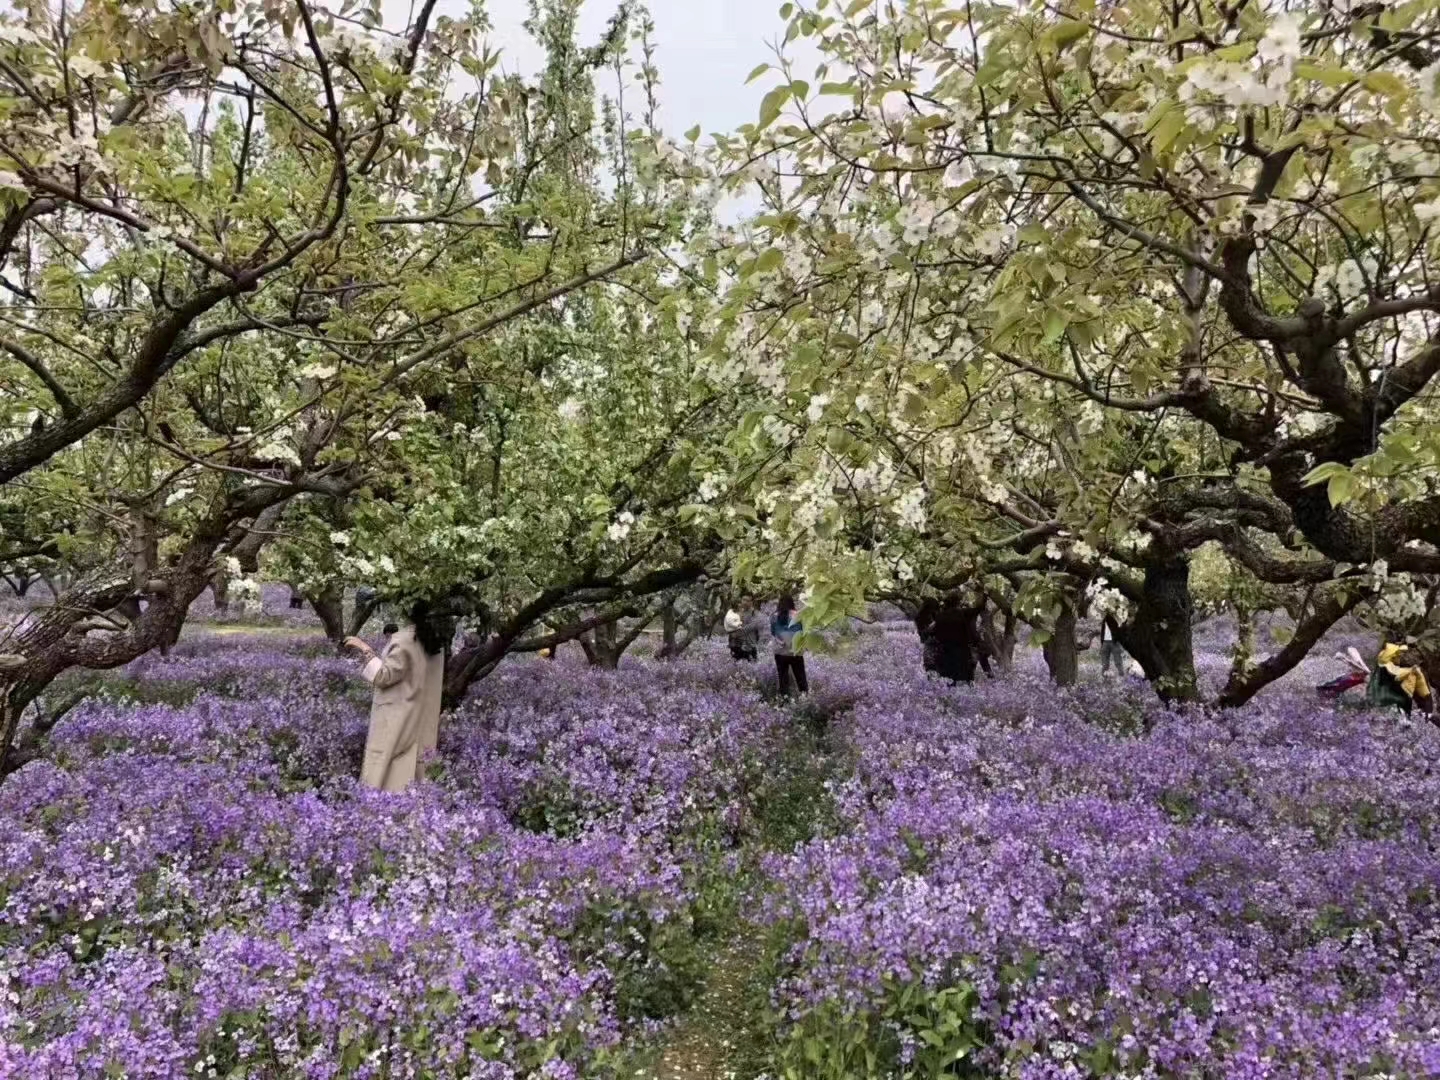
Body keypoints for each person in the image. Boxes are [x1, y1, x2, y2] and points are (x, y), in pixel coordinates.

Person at [343, 600, 447, 792]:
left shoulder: (403, 640)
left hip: (397, 714)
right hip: (420, 714)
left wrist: (365, 649)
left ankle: (379, 809)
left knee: (386, 764)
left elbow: (384, 676)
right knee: (414, 764)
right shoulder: (434, 642)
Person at [1367, 642, 1436, 719]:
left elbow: (1425, 693)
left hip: (1399, 692)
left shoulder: (1414, 672)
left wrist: (1428, 709)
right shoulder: (1388, 664)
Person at [931, 591, 983, 684]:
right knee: (964, 680)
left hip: (944, 652)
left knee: (947, 681)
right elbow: (979, 608)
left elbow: (933, 632)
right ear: (958, 602)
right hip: (961, 652)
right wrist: (985, 594)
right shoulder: (963, 613)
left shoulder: (939, 616)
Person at [771, 595, 808, 695]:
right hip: (795, 651)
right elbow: (803, 631)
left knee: (783, 678)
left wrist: (781, 639)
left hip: (780, 651)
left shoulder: (774, 616)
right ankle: (804, 698)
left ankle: (784, 701)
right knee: (800, 677)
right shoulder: (798, 615)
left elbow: (773, 632)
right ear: (792, 603)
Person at [725, 597, 761, 661]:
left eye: (747, 600)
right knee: (737, 660)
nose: (745, 602)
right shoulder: (734, 612)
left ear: (751, 602)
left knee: (751, 661)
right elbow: (730, 626)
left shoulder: (754, 613)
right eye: (743, 600)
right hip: (736, 643)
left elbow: (756, 628)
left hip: (750, 643)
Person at [914, 597, 940, 674]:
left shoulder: (935, 616)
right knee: (932, 674)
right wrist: (935, 624)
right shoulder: (921, 618)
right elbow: (923, 634)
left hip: (937, 649)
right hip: (931, 649)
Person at [1098, 614, 1125, 678]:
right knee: (1104, 664)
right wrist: (1102, 643)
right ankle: (1105, 679)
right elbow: (1102, 631)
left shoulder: (1118, 618)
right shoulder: (1104, 619)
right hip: (1105, 642)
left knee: (1118, 662)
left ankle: (1122, 679)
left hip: (1114, 642)